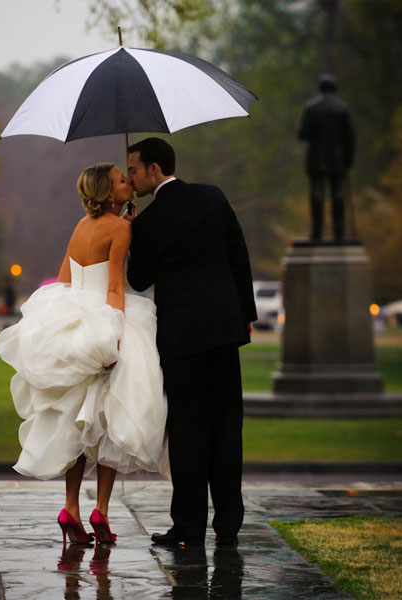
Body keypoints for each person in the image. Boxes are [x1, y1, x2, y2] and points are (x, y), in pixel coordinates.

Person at [0, 163, 167, 546]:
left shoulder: (80, 226)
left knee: (78, 420)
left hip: (73, 321)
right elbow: (114, 288)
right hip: (104, 320)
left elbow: (64, 280)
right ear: (109, 192)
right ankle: (100, 510)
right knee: (111, 419)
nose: (130, 184)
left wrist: (65, 325)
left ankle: (70, 507)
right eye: (123, 180)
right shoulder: (122, 228)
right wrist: (114, 334)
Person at [125, 137, 257, 547]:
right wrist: (246, 315)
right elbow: (239, 254)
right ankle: (229, 524)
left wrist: (132, 234)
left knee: (186, 431)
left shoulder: (147, 220)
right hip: (222, 331)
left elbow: (139, 279)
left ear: (154, 169)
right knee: (226, 427)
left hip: (181, 337)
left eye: (133, 170)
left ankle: (188, 526)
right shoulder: (212, 197)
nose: (130, 178)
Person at [298, 74, 355, 243]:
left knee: (317, 191)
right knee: (337, 192)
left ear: (320, 88)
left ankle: (317, 232)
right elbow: (350, 136)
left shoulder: (311, 108)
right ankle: (339, 233)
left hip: (317, 156)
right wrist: (348, 159)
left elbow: (303, 134)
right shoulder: (343, 108)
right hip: (337, 157)